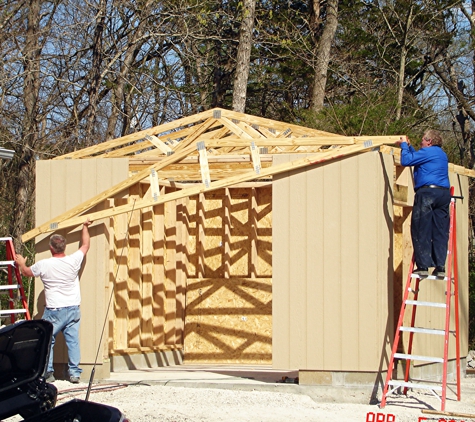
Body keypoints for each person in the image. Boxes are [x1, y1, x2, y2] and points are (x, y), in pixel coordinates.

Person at [15, 219, 93, 384]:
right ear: (64, 247)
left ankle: (49, 373)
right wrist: (85, 226)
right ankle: (74, 373)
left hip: (55, 310)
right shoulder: (73, 260)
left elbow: (27, 273)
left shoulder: (44, 264)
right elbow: (85, 246)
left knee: (48, 340)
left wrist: (21, 263)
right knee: (72, 341)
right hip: (72, 308)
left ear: (51, 248)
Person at [395, 130, 450, 277]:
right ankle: (440, 266)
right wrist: (410, 148)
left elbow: (406, 161)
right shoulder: (441, 154)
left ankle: (423, 266)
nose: (421, 143)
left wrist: (404, 146)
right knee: (440, 230)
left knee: (420, 227)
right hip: (443, 194)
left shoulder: (429, 152)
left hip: (427, 194)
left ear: (429, 141)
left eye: (422, 140)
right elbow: (416, 159)